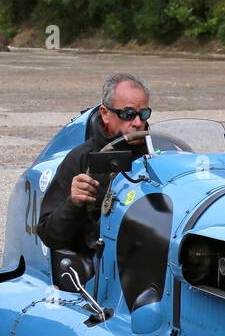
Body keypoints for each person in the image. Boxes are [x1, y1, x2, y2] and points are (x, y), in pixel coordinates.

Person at [38, 74, 152, 252]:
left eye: (143, 114)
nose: (137, 123)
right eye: (128, 114)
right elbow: (50, 236)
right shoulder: (81, 159)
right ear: (105, 114)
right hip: (101, 258)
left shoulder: (162, 152)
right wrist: (73, 203)